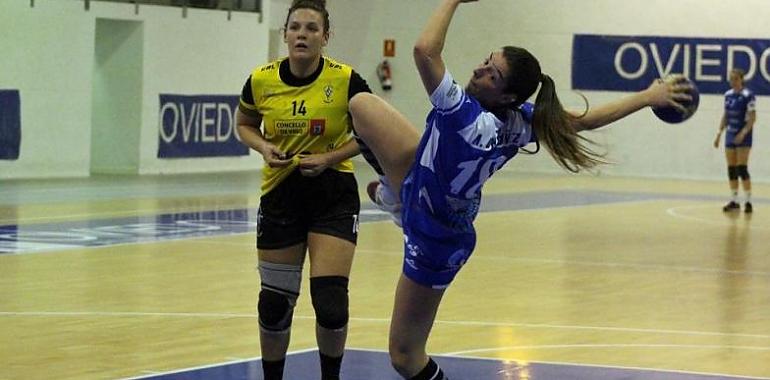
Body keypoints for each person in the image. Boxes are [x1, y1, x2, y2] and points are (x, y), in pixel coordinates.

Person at [348, 1, 694, 379]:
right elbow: (583, 122)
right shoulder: (520, 120)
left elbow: (424, 51)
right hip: (427, 184)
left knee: (404, 354)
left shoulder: (467, 118)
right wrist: (646, 98)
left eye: (491, 74)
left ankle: (400, 205)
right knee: (362, 105)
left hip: (437, 237)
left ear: (505, 96)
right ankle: (398, 197)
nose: (479, 70)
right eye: (485, 61)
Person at [235, 1, 383, 379]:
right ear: (284, 34)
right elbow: (245, 124)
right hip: (281, 195)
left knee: (331, 304)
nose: (302, 34)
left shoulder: (346, 81)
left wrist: (331, 157)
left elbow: (373, 131)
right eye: (295, 27)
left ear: (325, 37)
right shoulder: (261, 80)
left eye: (311, 29)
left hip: (332, 196)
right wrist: (264, 147)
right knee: (274, 305)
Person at [714, 68, 756, 213]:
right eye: (731, 79)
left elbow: (752, 118)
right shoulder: (728, 95)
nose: (733, 82)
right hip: (730, 134)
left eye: (735, 79)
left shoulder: (748, 95)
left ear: (741, 79)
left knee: (741, 168)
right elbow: (726, 115)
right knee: (731, 169)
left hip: (743, 134)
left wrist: (743, 133)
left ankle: (749, 201)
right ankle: (734, 200)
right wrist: (719, 134)